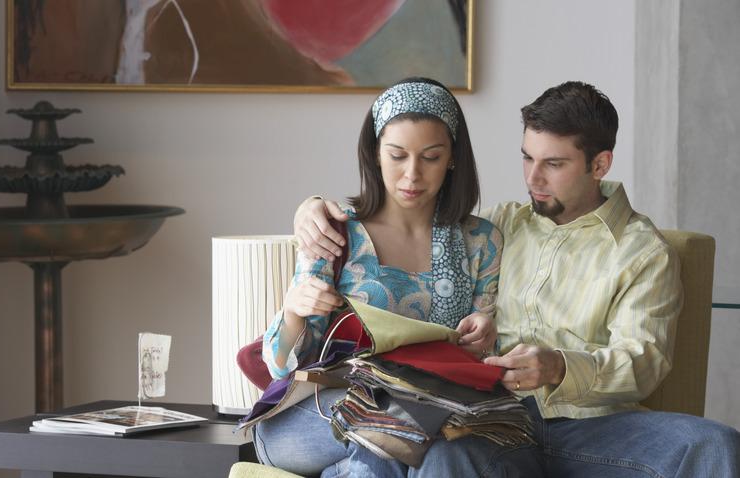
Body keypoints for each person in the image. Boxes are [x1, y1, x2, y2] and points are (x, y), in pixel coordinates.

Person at [294, 81, 740, 477]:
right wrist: (311, 207)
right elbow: (411, 219)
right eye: (527, 157)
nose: (533, 177)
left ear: (600, 164)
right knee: (447, 454)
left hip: (594, 428)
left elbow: (644, 362)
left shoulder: (643, 252)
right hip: (495, 421)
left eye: (554, 164)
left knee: (714, 443)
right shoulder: (498, 226)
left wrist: (560, 366)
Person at [255, 78, 544, 477]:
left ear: (452, 159)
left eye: (430, 157)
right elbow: (279, 366)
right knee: (390, 431)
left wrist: (484, 334)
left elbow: (476, 368)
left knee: (385, 451)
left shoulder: (481, 242)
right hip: (317, 418)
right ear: (375, 153)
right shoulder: (335, 230)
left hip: (427, 418)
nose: (412, 174)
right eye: (396, 155)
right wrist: (293, 312)